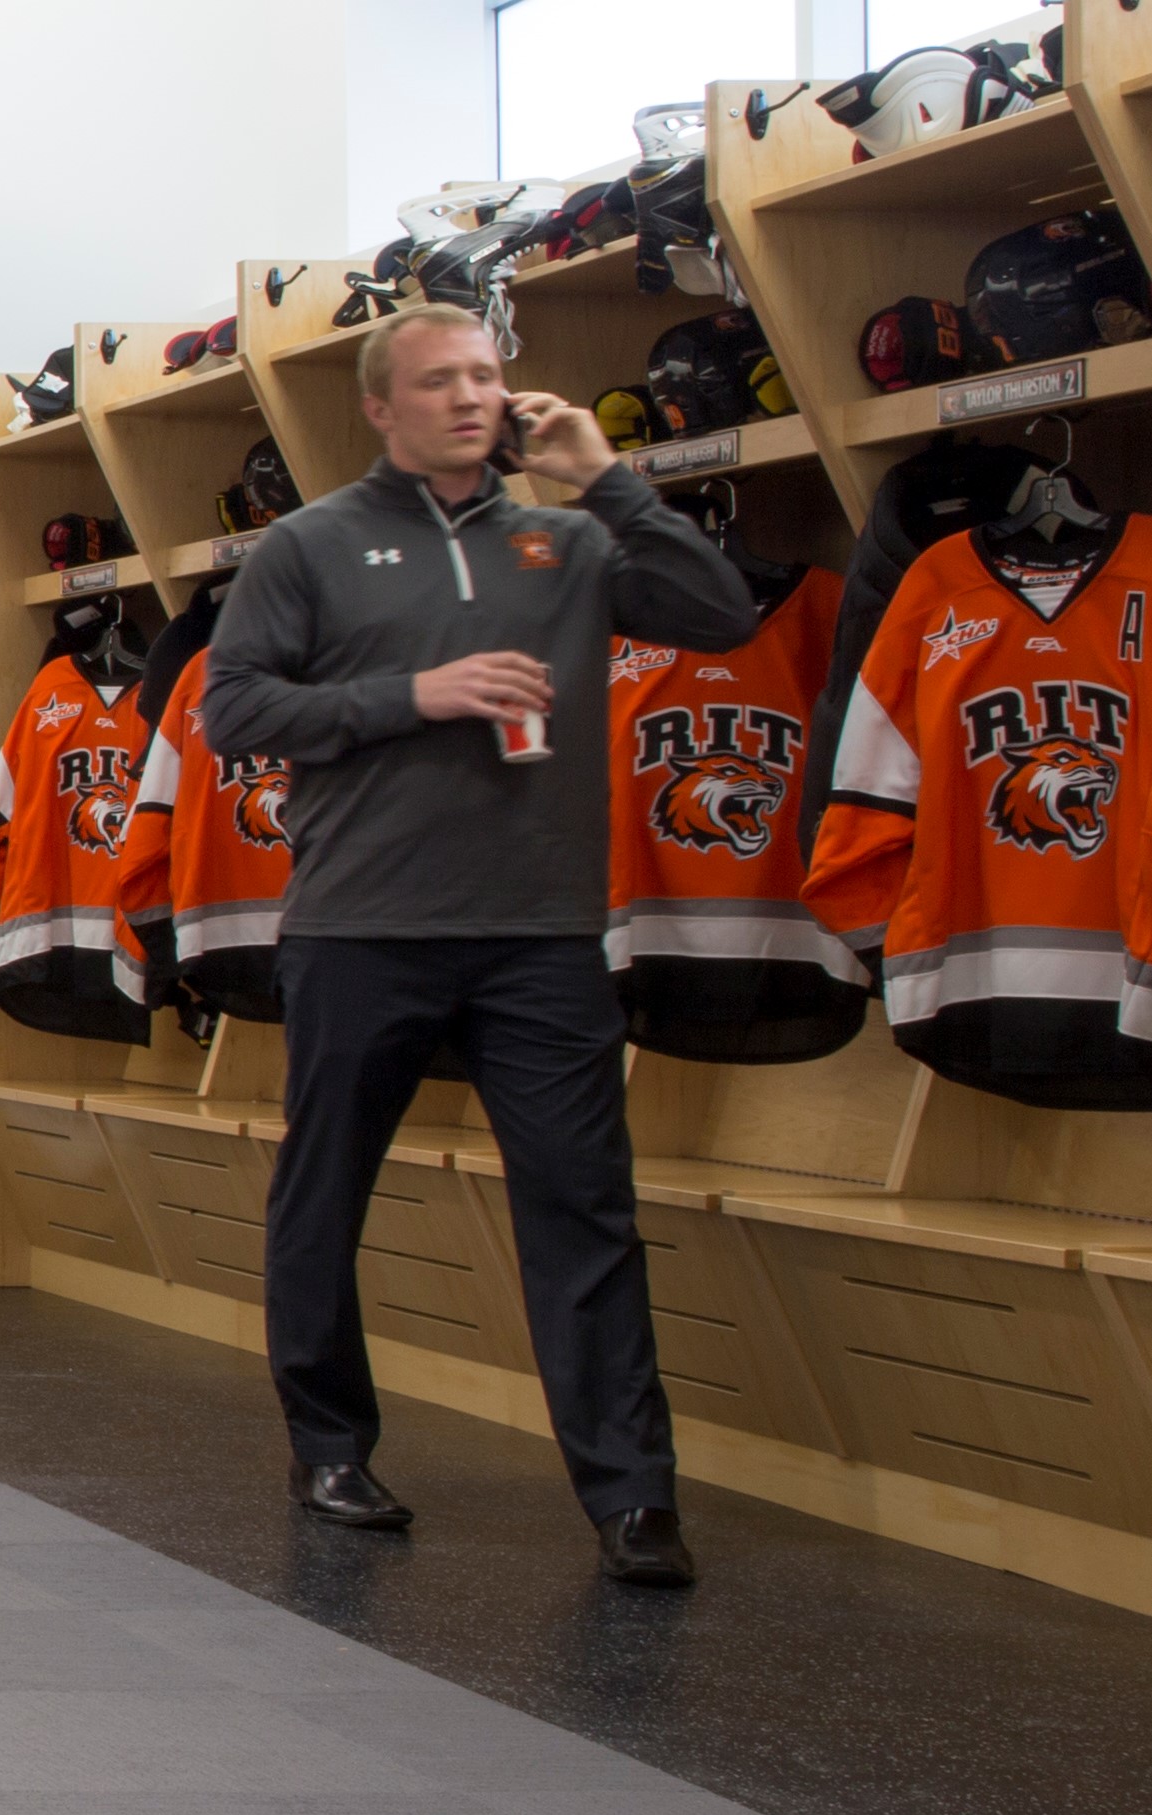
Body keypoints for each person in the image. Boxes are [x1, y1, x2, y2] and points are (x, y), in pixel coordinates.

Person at [201, 302, 745, 1588]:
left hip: (541, 934)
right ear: (381, 409)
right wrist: (417, 697)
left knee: (584, 1209)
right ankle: (329, 1445)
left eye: (487, 377)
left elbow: (722, 616)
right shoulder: (309, 545)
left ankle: (632, 1498)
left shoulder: (570, 539)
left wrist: (609, 478)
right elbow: (233, 709)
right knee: (326, 1195)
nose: (470, 398)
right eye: (438, 381)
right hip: (363, 925)